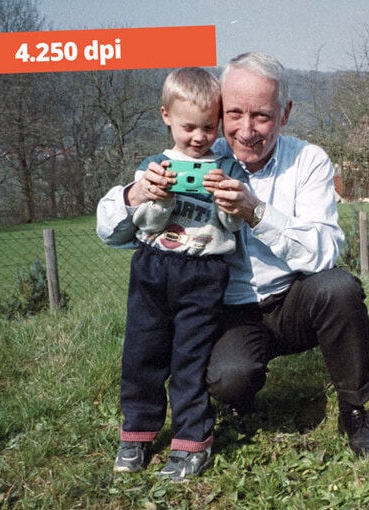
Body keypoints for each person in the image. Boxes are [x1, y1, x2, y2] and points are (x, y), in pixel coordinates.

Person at [201, 52, 369, 457]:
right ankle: (239, 398)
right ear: (218, 112)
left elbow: (324, 252)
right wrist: (134, 196)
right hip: (233, 311)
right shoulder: (202, 158)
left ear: (285, 113)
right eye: (234, 113)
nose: (246, 130)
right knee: (230, 378)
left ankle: (354, 412)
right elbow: (116, 224)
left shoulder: (308, 160)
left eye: (261, 116)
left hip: (293, 302)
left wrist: (256, 212)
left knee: (339, 289)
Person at [96, 67, 246, 481]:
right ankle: (137, 435)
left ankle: (191, 442)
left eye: (208, 127)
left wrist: (227, 202)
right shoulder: (154, 165)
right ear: (166, 116)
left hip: (204, 272)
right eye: (188, 127)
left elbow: (232, 228)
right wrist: (155, 195)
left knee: (190, 359)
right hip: (153, 267)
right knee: (142, 354)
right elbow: (146, 223)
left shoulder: (227, 166)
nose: (199, 137)